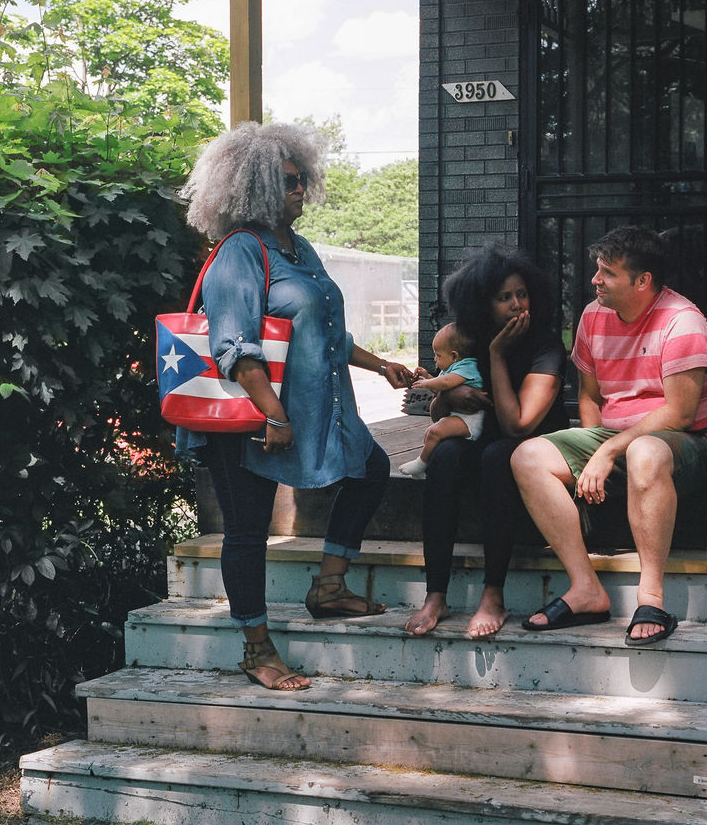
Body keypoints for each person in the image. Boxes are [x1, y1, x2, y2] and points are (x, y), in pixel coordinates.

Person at [179, 121, 416, 691]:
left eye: (301, 178)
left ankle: (328, 586)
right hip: (251, 419)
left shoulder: (298, 247)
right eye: (288, 182)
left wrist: (379, 364)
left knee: (370, 467)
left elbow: (322, 328)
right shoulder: (239, 251)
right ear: (254, 187)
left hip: (307, 409)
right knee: (247, 530)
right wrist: (274, 416)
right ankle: (257, 648)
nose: (300, 189)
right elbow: (235, 349)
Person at [510, 225, 707, 647]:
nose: (595, 280)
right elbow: (590, 397)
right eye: (597, 269)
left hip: (691, 442)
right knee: (527, 456)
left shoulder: (683, 322)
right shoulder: (593, 316)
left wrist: (608, 451)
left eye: (607, 273)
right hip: (618, 437)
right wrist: (594, 455)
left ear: (642, 281)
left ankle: (651, 599)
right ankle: (585, 589)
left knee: (645, 451)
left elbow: (679, 414)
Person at [404, 244, 569, 639]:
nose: (516, 304)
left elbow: (518, 426)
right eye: (504, 297)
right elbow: (438, 415)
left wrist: (496, 355)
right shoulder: (469, 342)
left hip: (536, 449)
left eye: (522, 294)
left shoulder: (546, 346)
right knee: (445, 454)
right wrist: (450, 395)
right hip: (484, 440)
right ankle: (436, 594)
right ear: (483, 304)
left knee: (498, 456)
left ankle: (493, 593)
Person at [398, 323, 485, 478]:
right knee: (429, 433)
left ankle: (421, 463)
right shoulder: (452, 368)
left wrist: (426, 383)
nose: (435, 359)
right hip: (460, 416)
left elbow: (445, 383)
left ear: (454, 356)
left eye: (438, 356)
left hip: (472, 419)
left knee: (435, 432)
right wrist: (427, 376)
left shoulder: (467, 366)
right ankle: (423, 467)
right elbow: (439, 388)